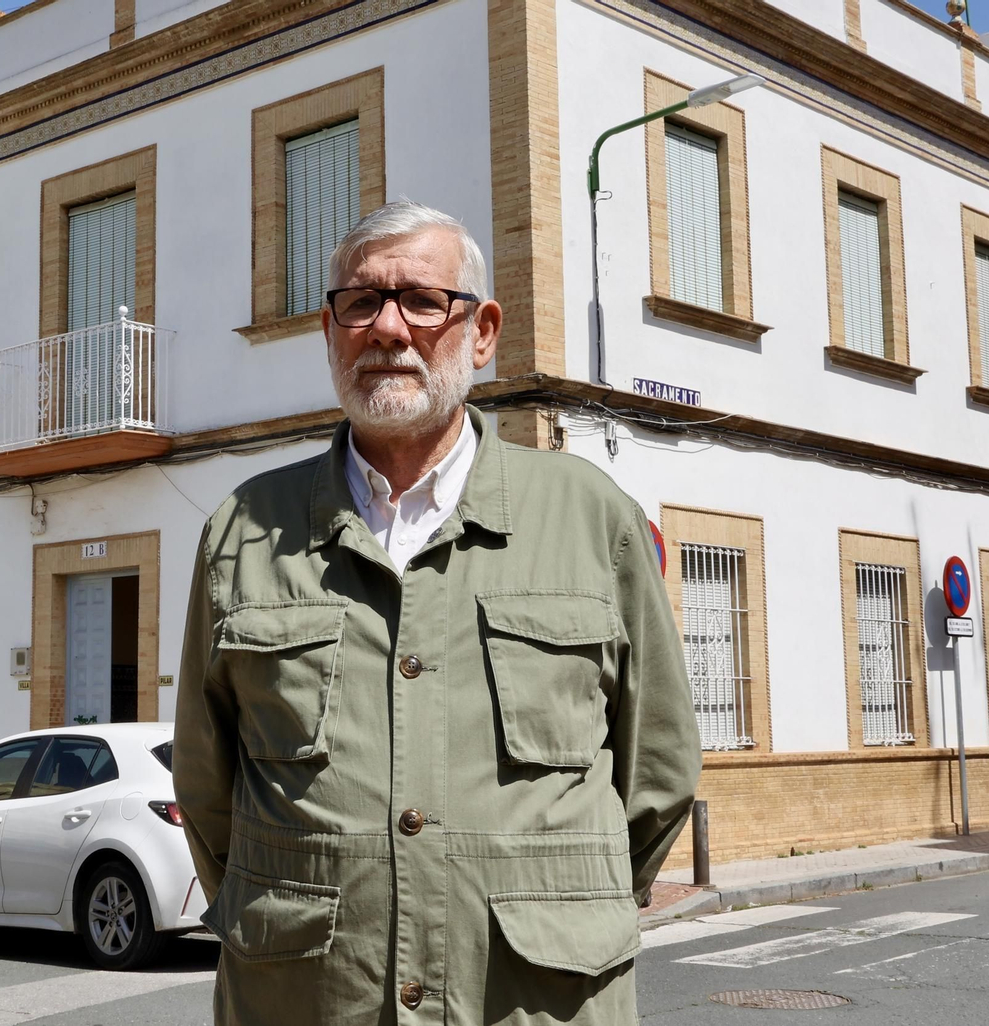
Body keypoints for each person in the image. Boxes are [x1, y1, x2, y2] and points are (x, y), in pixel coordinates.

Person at [174, 201, 700, 1025]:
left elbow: (658, 774)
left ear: (483, 333)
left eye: (423, 301)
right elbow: (209, 792)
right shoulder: (245, 529)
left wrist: (561, 903)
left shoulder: (592, 519)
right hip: (307, 999)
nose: (388, 327)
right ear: (330, 328)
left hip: (537, 1001)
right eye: (361, 302)